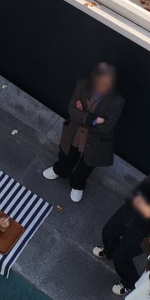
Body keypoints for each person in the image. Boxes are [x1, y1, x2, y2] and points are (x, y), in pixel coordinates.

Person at [43, 62, 124, 202]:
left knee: (86, 165)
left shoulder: (118, 101)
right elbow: (71, 109)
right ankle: (60, 170)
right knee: (66, 154)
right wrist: (94, 119)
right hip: (75, 131)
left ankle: (77, 184)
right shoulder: (82, 85)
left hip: (95, 138)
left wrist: (82, 114)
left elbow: (107, 127)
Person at [93, 174, 150, 295]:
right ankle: (108, 251)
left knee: (121, 258)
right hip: (127, 213)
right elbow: (132, 197)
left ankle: (129, 282)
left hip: (143, 232)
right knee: (108, 232)